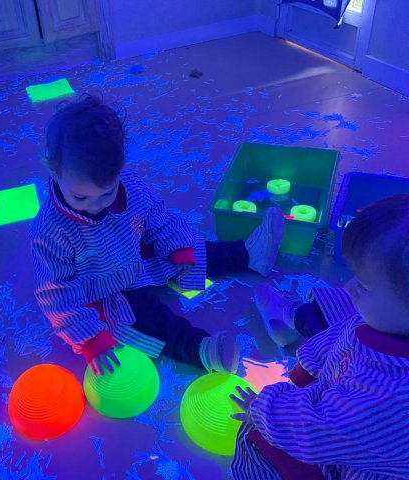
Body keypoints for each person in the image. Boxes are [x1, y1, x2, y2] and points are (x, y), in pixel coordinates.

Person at [30, 94, 285, 376]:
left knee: (192, 251)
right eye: (80, 197)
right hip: (103, 292)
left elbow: (158, 219)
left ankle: (248, 255)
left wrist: (177, 248)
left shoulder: (131, 187)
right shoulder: (50, 231)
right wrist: (90, 339)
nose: (96, 205)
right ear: (53, 170)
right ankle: (202, 350)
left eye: (107, 193)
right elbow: (56, 293)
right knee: (147, 316)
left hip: (136, 261)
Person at [231, 194, 409, 479]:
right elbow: (343, 336)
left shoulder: (389, 398)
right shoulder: (391, 321)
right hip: (337, 390)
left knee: (257, 437)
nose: (350, 285)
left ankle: (293, 318)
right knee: (342, 304)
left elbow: (311, 433)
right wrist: (305, 372)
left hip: (341, 461)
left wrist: (262, 409)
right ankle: (293, 316)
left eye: (364, 285)